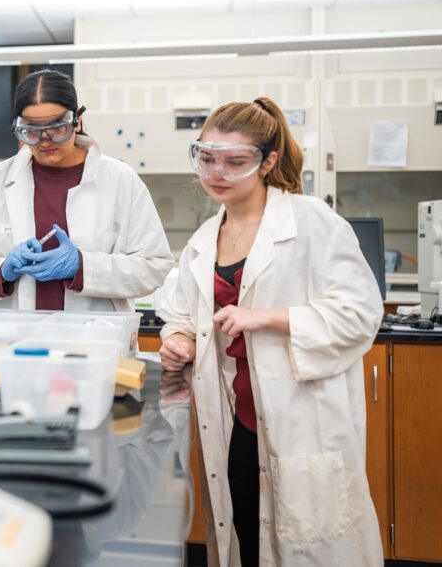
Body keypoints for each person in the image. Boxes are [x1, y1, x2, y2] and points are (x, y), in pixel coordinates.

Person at [157, 97, 384, 566]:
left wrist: (266, 316)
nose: (217, 173)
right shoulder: (203, 239)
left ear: (268, 161)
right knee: (245, 534)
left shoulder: (310, 222)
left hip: (301, 420)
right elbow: (182, 312)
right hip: (234, 421)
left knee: (311, 543)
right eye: (207, 159)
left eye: (235, 162)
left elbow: (361, 313)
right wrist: (179, 340)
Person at [0, 69, 172, 311]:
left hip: (95, 337)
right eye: (31, 130)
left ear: (77, 122)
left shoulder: (120, 180)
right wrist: (2, 269)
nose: (44, 140)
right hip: (14, 339)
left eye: (57, 127)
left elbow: (153, 266)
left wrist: (82, 266)